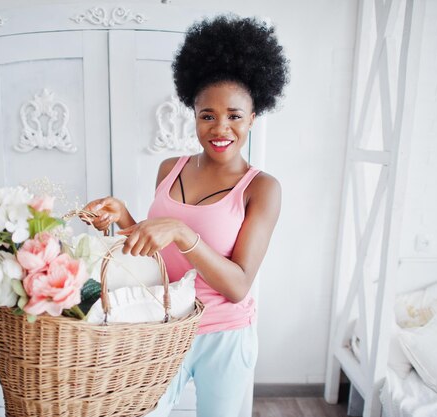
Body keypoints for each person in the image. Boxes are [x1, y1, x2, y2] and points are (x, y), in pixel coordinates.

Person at [83, 14, 289, 417]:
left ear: (253, 117)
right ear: (193, 115)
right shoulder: (169, 169)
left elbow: (237, 285)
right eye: (206, 115)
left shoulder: (262, 188)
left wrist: (182, 232)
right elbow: (153, 258)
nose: (220, 127)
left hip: (225, 334)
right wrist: (124, 217)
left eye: (234, 115)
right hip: (161, 327)